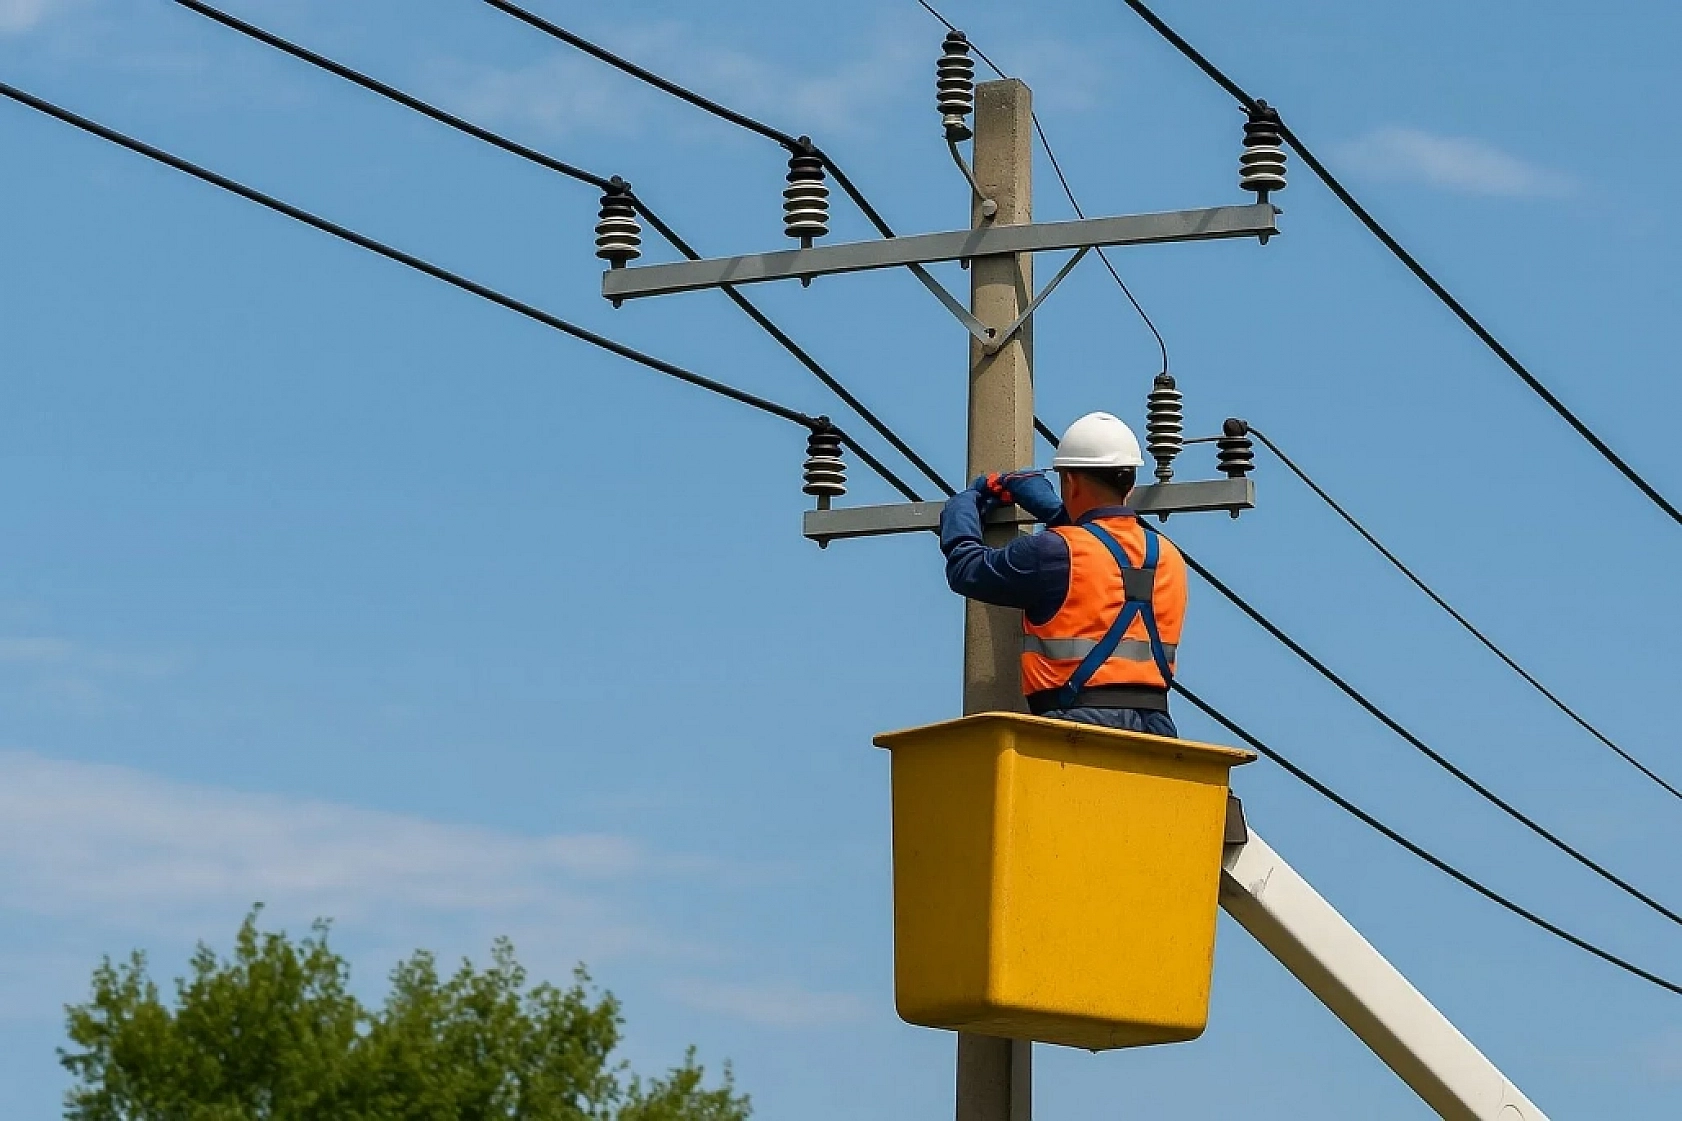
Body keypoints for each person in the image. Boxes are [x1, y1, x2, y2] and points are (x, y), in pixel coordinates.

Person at [939, 411, 1187, 735]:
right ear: (1130, 482)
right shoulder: (1169, 556)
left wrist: (961, 508)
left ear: (1069, 480)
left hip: (1077, 724)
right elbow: (1105, 551)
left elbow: (967, 568)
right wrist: (1055, 510)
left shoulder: (1054, 551)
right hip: (1155, 730)